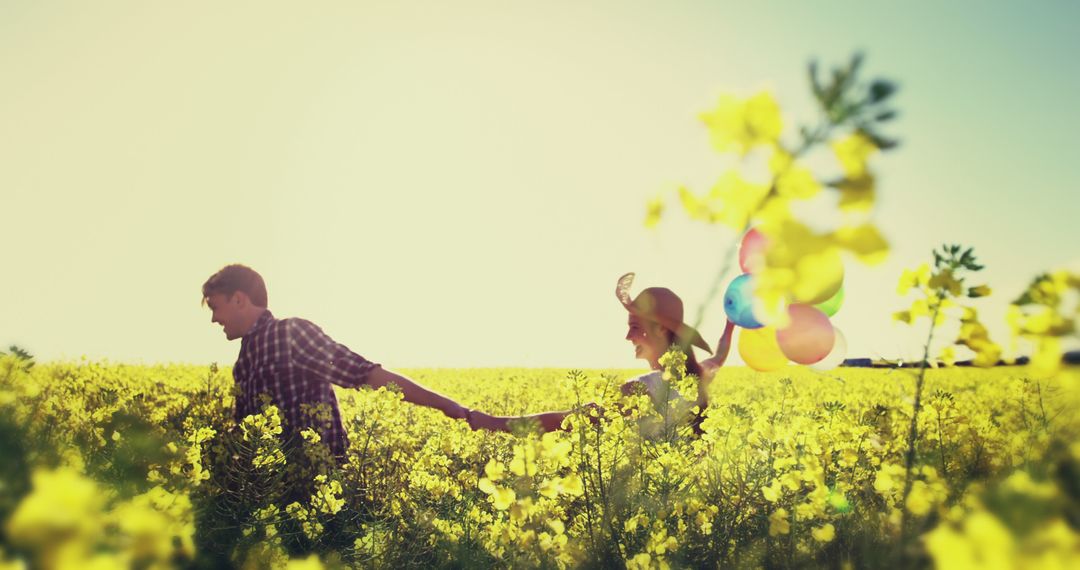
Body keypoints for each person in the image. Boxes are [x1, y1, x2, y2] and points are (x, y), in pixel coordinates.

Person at [202, 264, 476, 462]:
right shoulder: (243, 360)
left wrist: (447, 405)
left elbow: (363, 374)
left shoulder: (289, 333)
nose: (214, 319)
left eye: (215, 307)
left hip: (315, 487)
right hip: (269, 496)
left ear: (238, 299)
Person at [467, 273, 736, 434]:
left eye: (634, 328)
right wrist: (731, 323)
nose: (628, 337)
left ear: (661, 331)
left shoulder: (642, 390)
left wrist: (494, 422)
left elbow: (568, 421)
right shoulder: (695, 378)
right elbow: (719, 357)